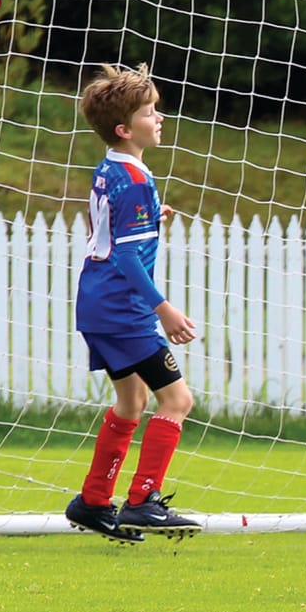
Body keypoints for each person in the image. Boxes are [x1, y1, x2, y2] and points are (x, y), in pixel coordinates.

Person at [66, 63, 201, 543]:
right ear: (125, 128)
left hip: (96, 303)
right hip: (124, 309)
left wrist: (151, 217)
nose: (159, 118)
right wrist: (163, 309)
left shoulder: (112, 169)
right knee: (177, 399)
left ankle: (93, 501)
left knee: (132, 400)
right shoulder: (136, 179)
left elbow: (107, 229)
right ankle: (142, 501)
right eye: (150, 112)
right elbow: (125, 255)